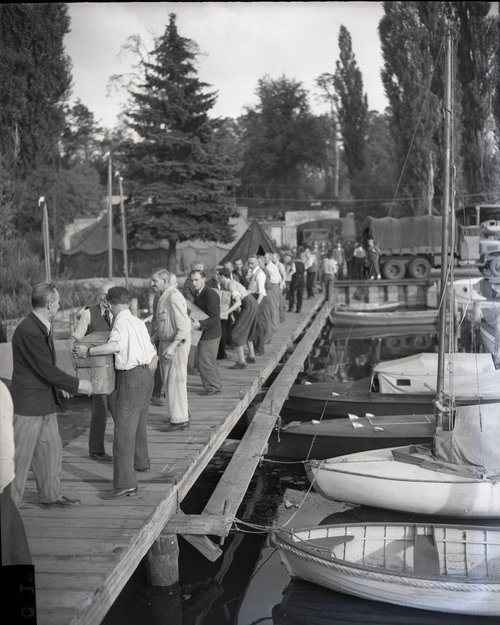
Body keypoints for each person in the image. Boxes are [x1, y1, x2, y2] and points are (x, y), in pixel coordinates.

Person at [11, 282, 93, 508]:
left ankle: (51, 496)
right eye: (57, 302)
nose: (59, 305)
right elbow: (45, 368)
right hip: (28, 407)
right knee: (20, 459)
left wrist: (59, 386)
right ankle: (8, 507)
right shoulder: (28, 330)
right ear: (49, 305)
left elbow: (41, 368)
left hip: (44, 402)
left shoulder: (39, 325)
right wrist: (79, 385)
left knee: (51, 451)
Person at [74, 286, 157, 499]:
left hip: (130, 378)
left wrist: (88, 351)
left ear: (109, 304)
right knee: (139, 422)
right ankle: (141, 462)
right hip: (147, 375)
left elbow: (115, 346)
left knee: (122, 430)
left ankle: (124, 483)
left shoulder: (119, 322)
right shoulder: (138, 322)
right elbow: (151, 352)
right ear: (128, 302)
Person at [71, 281, 116, 462]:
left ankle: (122, 449)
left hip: (117, 367)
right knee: (101, 409)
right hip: (98, 371)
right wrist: (80, 366)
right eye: (104, 294)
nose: (106, 298)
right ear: (100, 295)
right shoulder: (89, 313)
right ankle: (96, 450)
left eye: (110, 294)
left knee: (119, 409)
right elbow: (76, 339)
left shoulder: (119, 314)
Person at [151, 268, 191, 431]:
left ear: (165, 281)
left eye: (155, 281)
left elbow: (185, 327)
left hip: (175, 345)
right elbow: (163, 324)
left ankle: (179, 420)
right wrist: (152, 339)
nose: (151, 284)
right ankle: (181, 414)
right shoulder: (163, 296)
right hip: (166, 342)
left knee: (175, 382)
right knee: (170, 382)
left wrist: (173, 347)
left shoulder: (173, 297)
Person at [190, 270, 222, 395]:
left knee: (205, 361)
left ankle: (213, 388)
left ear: (204, 279)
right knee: (206, 361)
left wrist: (200, 324)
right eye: (192, 280)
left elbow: (215, 318)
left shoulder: (210, 294)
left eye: (196, 280)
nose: (194, 283)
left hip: (211, 333)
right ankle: (214, 386)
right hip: (203, 332)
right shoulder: (199, 292)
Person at [218, 269, 258, 368]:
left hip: (248, 304)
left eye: (218, 276)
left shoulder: (230, 285)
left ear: (222, 277)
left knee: (236, 332)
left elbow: (238, 302)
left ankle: (241, 361)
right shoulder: (231, 283)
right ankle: (251, 355)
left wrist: (226, 312)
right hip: (252, 302)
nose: (217, 278)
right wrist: (232, 314)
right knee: (248, 329)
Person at [264, 252, 281, 333]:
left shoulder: (268, 267)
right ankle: (275, 325)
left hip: (273, 286)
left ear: (269, 258)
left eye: (265, 258)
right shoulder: (274, 266)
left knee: (272, 306)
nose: (264, 259)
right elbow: (279, 277)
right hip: (276, 286)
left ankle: (274, 326)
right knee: (275, 306)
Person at [289, 247, 305, 313]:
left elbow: (292, 270)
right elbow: (304, 271)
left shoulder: (293, 263)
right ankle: (299, 309)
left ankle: (291, 307)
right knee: (300, 295)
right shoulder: (303, 263)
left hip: (295, 279)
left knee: (292, 293)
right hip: (301, 279)